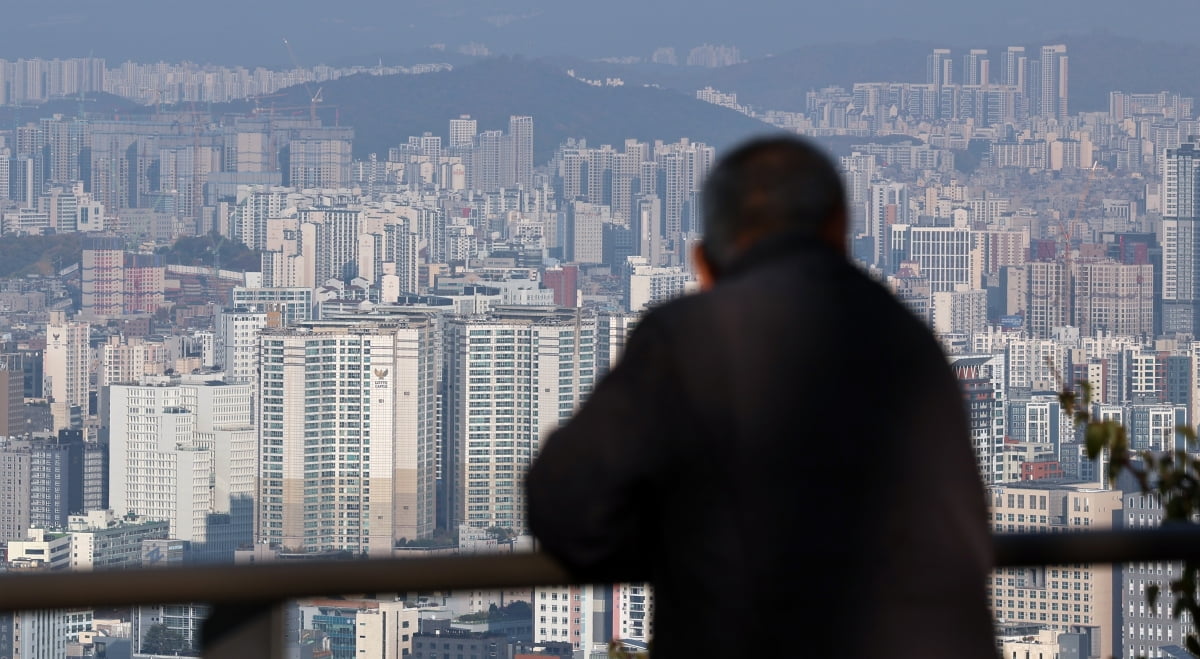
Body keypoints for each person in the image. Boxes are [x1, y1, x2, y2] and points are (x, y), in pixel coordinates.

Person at [525, 135, 999, 658]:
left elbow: (565, 506)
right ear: (841, 229)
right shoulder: (908, 336)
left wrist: (682, 539)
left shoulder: (694, 334)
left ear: (702, 262)